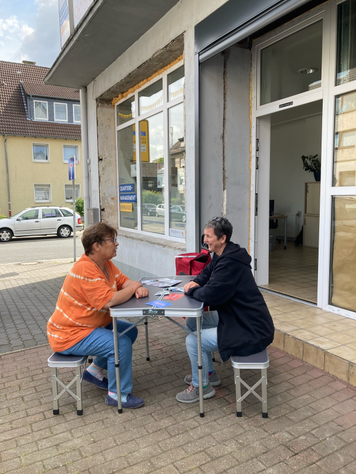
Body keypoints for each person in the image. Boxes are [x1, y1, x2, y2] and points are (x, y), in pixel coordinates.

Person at [47, 222, 148, 408]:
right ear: (97, 246)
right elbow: (108, 300)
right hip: (70, 333)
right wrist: (135, 287)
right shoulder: (85, 269)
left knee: (130, 331)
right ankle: (118, 395)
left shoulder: (105, 264)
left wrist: (136, 287)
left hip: (90, 326)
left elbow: (124, 281)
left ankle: (94, 371)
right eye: (112, 240)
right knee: (120, 344)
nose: (116, 244)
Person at [176, 217, 274, 404]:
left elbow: (210, 295)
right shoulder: (222, 254)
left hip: (250, 328)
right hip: (236, 317)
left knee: (193, 340)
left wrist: (193, 289)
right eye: (205, 235)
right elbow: (207, 273)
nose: (205, 240)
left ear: (222, 238)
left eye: (208, 236)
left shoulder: (230, 263)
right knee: (192, 322)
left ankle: (201, 387)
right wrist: (196, 282)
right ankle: (209, 373)